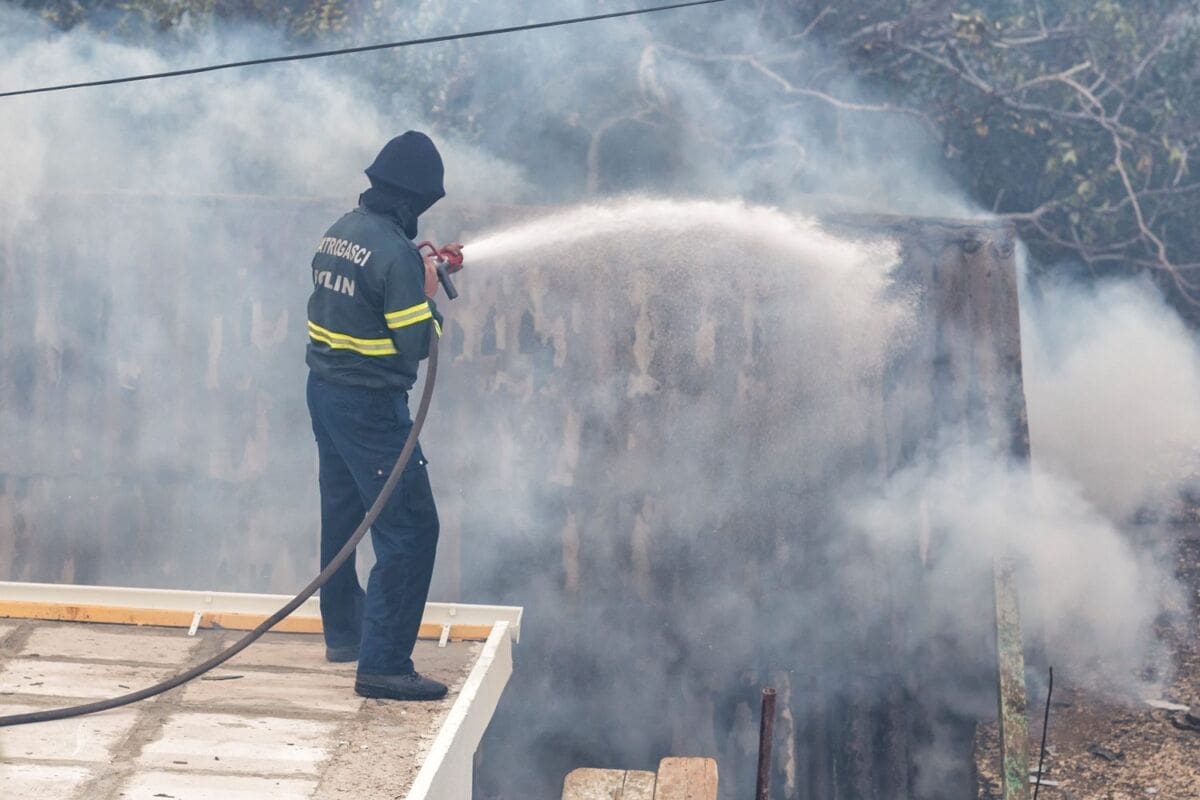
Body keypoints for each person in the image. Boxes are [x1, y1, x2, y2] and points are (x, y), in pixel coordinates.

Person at [304, 131, 462, 701]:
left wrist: (413, 274)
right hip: (370, 407)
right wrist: (427, 295)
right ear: (409, 199)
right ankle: (384, 665)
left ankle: (345, 634)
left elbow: (363, 301)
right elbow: (416, 344)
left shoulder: (341, 231)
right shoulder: (395, 254)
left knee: (344, 514)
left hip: (325, 392)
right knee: (413, 530)